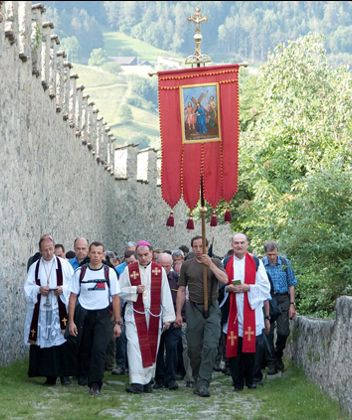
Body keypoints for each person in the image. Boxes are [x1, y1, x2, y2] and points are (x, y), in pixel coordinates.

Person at [119, 241, 175, 394]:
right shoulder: (129, 270)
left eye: (146, 255)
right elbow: (120, 291)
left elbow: (165, 293)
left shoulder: (159, 270)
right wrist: (134, 289)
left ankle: (147, 381)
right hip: (134, 314)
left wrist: (168, 317)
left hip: (153, 314)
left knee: (151, 347)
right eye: (140, 255)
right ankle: (137, 381)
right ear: (136, 255)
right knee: (134, 346)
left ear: (151, 253)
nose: (143, 258)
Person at [175, 235, 228, 397]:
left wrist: (210, 264)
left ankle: (204, 381)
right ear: (192, 248)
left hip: (211, 307)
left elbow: (225, 280)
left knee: (211, 346)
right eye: (195, 247)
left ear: (206, 247)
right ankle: (198, 377)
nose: (198, 250)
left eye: (201, 246)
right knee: (193, 348)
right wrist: (178, 313)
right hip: (193, 308)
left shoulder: (216, 262)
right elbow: (182, 290)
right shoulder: (186, 265)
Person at [68, 241, 122, 396]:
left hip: (103, 315)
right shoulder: (80, 272)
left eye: (99, 253)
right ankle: (84, 376)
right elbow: (72, 297)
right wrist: (71, 321)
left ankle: (95, 384)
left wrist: (117, 322)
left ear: (103, 255)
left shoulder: (109, 272)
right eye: (93, 252)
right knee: (85, 349)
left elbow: (116, 297)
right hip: (85, 315)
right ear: (89, 254)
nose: (96, 256)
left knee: (99, 350)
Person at [24, 234, 74, 386]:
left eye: (51, 249)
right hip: (41, 312)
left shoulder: (64, 265)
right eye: (45, 250)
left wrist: (62, 289)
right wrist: (39, 289)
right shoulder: (34, 267)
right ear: (40, 250)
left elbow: (73, 285)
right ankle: (49, 376)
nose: (49, 253)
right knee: (44, 341)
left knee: (61, 340)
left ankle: (65, 375)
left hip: (59, 311)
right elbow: (28, 288)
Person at [224, 233, 270, 391]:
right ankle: (237, 382)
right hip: (233, 312)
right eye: (236, 243)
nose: (239, 245)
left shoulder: (255, 262)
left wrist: (248, 287)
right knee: (234, 349)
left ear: (247, 244)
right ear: (232, 245)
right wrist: (228, 288)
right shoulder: (226, 262)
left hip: (251, 309)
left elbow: (265, 287)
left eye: (242, 242)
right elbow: (220, 285)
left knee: (251, 350)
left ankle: (250, 379)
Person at [262, 241, 298, 372]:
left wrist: (292, 304)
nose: (272, 257)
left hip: (283, 299)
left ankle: (278, 355)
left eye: (274, 254)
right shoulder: (261, 265)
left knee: (284, 332)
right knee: (268, 333)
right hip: (269, 300)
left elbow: (291, 283)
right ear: (266, 253)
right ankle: (271, 362)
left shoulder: (284, 263)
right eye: (269, 254)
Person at [154, 253, 182, 390]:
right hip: (156, 319)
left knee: (171, 348)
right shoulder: (152, 278)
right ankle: (158, 378)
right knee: (157, 349)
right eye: (161, 265)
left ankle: (171, 378)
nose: (164, 268)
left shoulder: (177, 279)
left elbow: (181, 299)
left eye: (167, 266)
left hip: (173, 320)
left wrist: (179, 316)